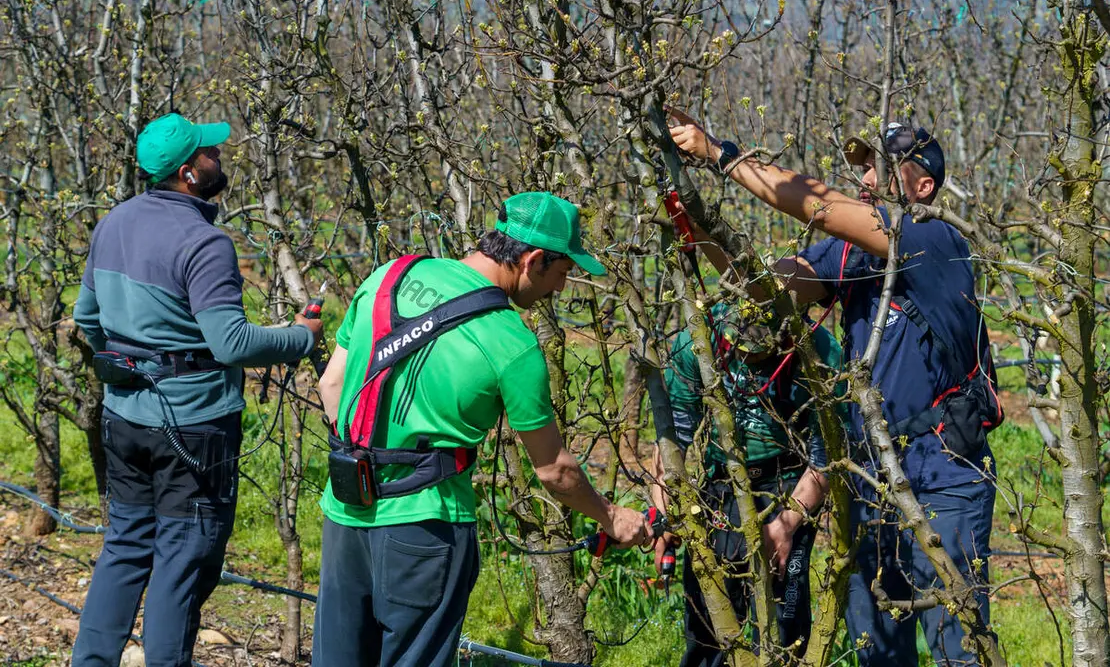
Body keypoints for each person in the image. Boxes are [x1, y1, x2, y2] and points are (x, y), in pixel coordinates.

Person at [668, 112, 1001, 665]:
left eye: (884, 168)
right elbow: (761, 289)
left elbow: (817, 204)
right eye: (865, 168)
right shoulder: (851, 255)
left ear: (923, 187)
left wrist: (721, 154)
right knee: (876, 652)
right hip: (870, 480)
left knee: (958, 651)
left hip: (942, 478)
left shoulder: (933, 237)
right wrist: (697, 220)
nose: (868, 178)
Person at [311, 191, 653, 667]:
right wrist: (610, 515)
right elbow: (554, 470)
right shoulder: (511, 341)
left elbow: (331, 384)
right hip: (425, 529)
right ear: (533, 260)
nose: (560, 288)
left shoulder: (390, 276)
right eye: (562, 273)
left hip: (346, 508)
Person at [71, 113, 324, 667]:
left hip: (125, 414)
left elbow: (87, 317)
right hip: (193, 426)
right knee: (183, 560)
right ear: (189, 173)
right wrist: (300, 338)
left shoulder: (112, 222)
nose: (219, 157)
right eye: (210, 153)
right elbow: (230, 342)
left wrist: (128, 360)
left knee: (125, 546)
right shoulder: (204, 242)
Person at [653, 301, 839, 665]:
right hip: (721, 486)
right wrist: (664, 508)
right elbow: (673, 435)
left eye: (761, 354)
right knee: (709, 617)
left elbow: (827, 457)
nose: (750, 363)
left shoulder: (818, 352)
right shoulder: (697, 338)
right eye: (741, 352)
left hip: (790, 485)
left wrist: (788, 522)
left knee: (786, 620)